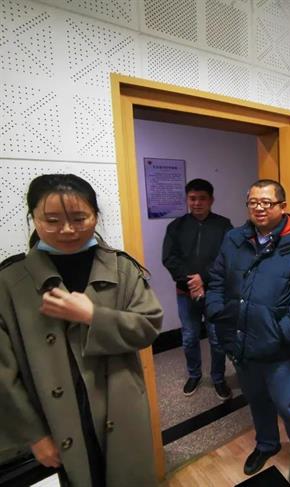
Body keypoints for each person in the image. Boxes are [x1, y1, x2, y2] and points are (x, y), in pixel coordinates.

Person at [0, 174, 163, 486]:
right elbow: (3, 375)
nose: (67, 230)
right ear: (33, 218)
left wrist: (93, 316)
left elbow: (149, 325)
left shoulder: (122, 268)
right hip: (52, 417)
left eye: (79, 218)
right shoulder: (10, 281)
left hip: (118, 403)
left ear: (95, 216)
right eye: (52, 220)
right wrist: (34, 435)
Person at [205, 179, 290, 485]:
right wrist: (217, 312)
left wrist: (283, 333)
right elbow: (216, 279)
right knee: (256, 400)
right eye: (253, 202)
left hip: (277, 347)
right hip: (240, 340)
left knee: (289, 404)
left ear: (282, 206)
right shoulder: (234, 239)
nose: (259, 208)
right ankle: (267, 444)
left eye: (267, 202)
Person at [162, 178, 233, 398]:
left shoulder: (224, 226)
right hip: (186, 293)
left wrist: (204, 278)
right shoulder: (176, 226)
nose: (197, 203)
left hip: (215, 293)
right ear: (187, 199)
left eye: (202, 198)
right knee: (190, 337)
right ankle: (194, 374)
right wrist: (191, 283)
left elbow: (228, 257)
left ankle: (218, 378)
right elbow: (169, 258)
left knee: (217, 338)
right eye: (192, 198)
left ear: (211, 200)